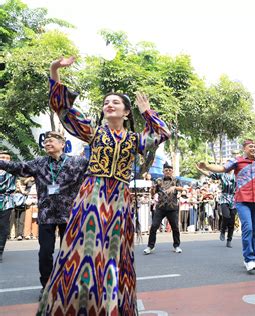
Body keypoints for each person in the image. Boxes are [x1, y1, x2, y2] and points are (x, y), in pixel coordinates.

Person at [37, 56, 170, 314]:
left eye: (116, 102)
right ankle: (78, 306)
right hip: (92, 195)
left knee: (113, 254)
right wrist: (54, 70)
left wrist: (148, 113)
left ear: (126, 111)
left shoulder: (135, 140)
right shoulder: (93, 132)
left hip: (119, 199)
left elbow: (161, 134)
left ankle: (110, 306)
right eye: (106, 102)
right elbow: (63, 109)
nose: (110, 104)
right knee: (85, 251)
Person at [0, 132, 88, 294]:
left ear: (62, 144)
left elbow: (99, 169)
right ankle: (46, 287)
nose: (47, 143)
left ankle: (68, 285)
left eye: (51, 141)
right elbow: (17, 167)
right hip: (46, 216)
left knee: (69, 253)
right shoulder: (39, 163)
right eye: (45, 141)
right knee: (45, 253)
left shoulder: (77, 162)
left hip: (69, 215)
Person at [197, 139, 255, 272]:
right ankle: (249, 259)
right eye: (250, 146)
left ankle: (251, 258)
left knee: (253, 232)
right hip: (242, 201)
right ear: (244, 149)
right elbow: (222, 169)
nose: (253, 148)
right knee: (247, 228)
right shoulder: (237, 161)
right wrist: (206, 166)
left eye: (254, 146)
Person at [144, 162, 184, 255]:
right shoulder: (158, 180)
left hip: (172, 207)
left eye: (170, 170)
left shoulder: (176, 180)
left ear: (172, 171)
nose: (168, 172)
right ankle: (150, 246)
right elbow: (153, 193)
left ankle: (176, 245)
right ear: (163, 171)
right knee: (154, 226)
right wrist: (152, 190)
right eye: (166, 170)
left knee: (175, 227)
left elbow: (182, 189)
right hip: (160, 207)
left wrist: (174, 187)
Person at [196, 164, 236, 248]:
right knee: (226, 216)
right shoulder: (222, 174)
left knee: (232, 221)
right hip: (224, 198)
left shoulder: (236, 175)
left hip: (234, 199)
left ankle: (229, 240)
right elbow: (210, 174)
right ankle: (222, 231)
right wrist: (200, 170)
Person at [0, 150, 17, 263]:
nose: (4, 159)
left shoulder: (12, 172)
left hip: (6, 201)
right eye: (2, 157)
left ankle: (0, 250)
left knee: (3, 227)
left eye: (7, 158)